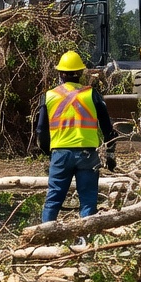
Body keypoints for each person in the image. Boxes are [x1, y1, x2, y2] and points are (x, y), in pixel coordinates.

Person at [35, 50, 117, 221]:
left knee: (53, 200)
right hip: (87, 155)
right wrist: (110, 153)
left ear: (61, 74)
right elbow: (108, 128)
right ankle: (85, 243)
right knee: (88, 202)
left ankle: (45, 239)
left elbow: (41, 130)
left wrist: (46, 151)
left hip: (60, 154)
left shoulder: (49, 96)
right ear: (80, 73)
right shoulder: (92, 94)